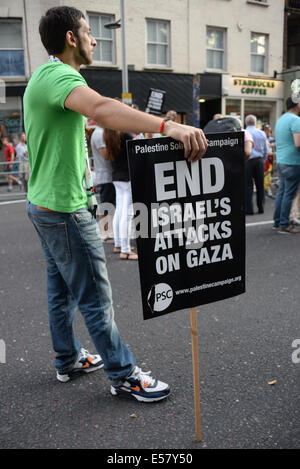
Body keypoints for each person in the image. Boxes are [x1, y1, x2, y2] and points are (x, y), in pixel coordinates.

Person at [23, 6, 207, 403]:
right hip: (63, 209)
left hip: (45, 204)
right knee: (94, 296)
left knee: (62, 291)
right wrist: (167, 125)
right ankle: (123, 375)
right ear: (71, 38)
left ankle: (68, 359)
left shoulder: (42, 77)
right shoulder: (59, 75)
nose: (94, 39)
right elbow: (103, 109)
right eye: (88, 32)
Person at [103, 127, 137, 260]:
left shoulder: (108, 135)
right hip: (127, 177)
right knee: (127, 214)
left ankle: (119, 244)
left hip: (117, 176)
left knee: (119, 211)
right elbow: (137, 150)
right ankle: (125, 249)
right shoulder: (125, 135)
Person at [273, 97, 300, 234]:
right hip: (293, 162)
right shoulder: (296, 120)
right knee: (289, 194)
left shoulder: (281, 119)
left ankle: (277, 221)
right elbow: (298, 143)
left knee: (282, 193)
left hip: (281, 161)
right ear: (298, 104)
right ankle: (284, 224)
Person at [90, 125, 115, 241]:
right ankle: (104, 233)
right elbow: (106, 155)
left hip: (106, 175)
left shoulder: (99, 132)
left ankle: (107, 232)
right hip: (105, 175)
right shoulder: (100, 134)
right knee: (106, 206)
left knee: (107, 206)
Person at [245, 114, 269, 214]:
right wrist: (263, 160)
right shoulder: (262, 133)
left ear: (246, 123)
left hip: (247, 161)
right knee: (260, 185)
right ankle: (261, 207)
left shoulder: (244, 132)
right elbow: (266, 150)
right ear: (255, 122)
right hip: (259, 160)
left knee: (247, 185)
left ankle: (249, 209)